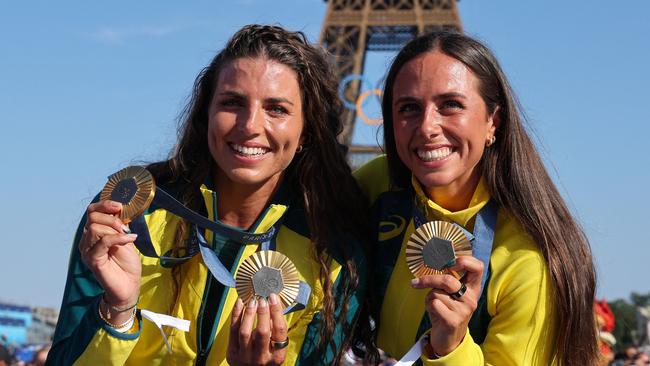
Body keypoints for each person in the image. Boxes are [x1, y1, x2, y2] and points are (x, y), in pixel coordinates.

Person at [47, 24, 369, 365]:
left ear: (306, 130)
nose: (250, 126)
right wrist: (118, 311)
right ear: (207, 115)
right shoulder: (129, 214)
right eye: (233, 102)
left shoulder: (335, 257)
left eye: (276, 108)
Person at [355, 31, 598, 365]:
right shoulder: (373, 184)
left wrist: (452, 347)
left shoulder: (529, 259)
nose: (427, 126)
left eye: (450, 105)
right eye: (409, 107)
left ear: (492, 123)